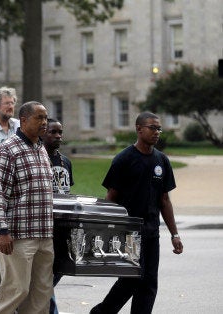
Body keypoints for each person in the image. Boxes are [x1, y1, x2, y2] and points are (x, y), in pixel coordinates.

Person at [90, 112, 183, 314]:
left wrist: (175, 234)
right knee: (131, 280)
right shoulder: (124, 159)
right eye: (152, 127)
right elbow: (111, 197)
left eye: (159, 128)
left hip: (151, 232)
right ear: (139, 129)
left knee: (149, 283)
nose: (157, 132)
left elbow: (164, 200)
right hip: (128, 232)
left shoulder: (162, 161)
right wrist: (108, 231)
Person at [0, 101, 54, 314]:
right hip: (17, 236)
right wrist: (2, 231)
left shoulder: (41, 148)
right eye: (39, 118)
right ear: (23, 121)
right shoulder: (9, 148)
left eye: (45, 118)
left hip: (44, 234)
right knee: (15, 290)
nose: (44, 123)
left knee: (41, 296)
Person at [40, 118, 74, 314]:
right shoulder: (38, 158)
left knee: (58, 269)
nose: (58, 136)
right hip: (44, 225)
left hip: (63, 226)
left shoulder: (65, 162)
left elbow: (69, 192)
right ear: (43, 133)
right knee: (44, 276)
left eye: (60, 132)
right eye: (53, 132)